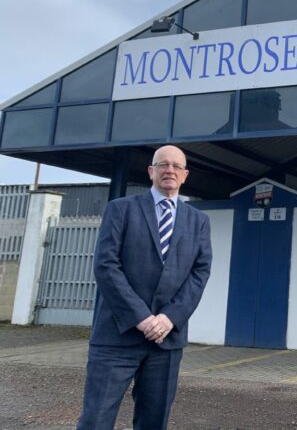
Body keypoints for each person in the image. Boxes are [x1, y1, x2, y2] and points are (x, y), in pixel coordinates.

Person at [77, 145, 212, 430]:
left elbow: (199, 273)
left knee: (154, 421)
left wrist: (167, 318)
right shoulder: (120, 209)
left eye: (176, 166)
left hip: (166, 341)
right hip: (117, 336)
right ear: (151, 171)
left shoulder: (199, 221)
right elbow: (106, 266)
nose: (169, 171)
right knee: (96, 420)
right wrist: (142, 318)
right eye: (163, 164)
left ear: (185, 175)